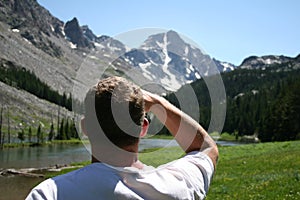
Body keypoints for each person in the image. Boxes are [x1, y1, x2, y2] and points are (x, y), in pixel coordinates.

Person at [26, 76, 218, 200]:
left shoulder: (49, 193)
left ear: (85, 128)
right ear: (143, 129)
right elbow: (206, 149)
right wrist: (159, 104)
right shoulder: (176, 187)